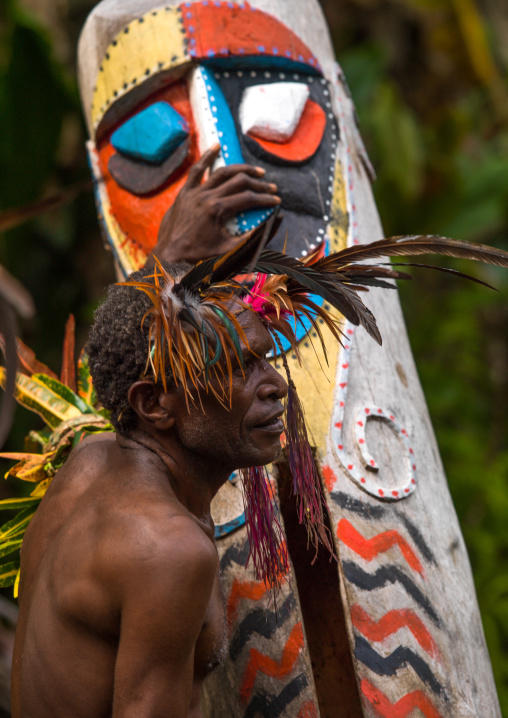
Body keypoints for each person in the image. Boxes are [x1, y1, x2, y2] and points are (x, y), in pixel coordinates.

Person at [10, 261, 288, 718]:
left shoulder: (90, 460)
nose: (276, 386)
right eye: (240, 368)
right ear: (154, 404)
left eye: (264, 360)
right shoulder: (168, 550)